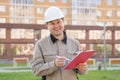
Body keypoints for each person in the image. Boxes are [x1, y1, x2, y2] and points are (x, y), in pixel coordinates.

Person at [32, 6, 87, 80]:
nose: (56, 26)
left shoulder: (75, 43)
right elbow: (35, 70)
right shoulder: (40, 45)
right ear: (47, 25)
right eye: (52, 23)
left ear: (63, 22)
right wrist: (53, 64)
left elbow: (82, 72)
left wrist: (82, 68)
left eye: (58, 22)